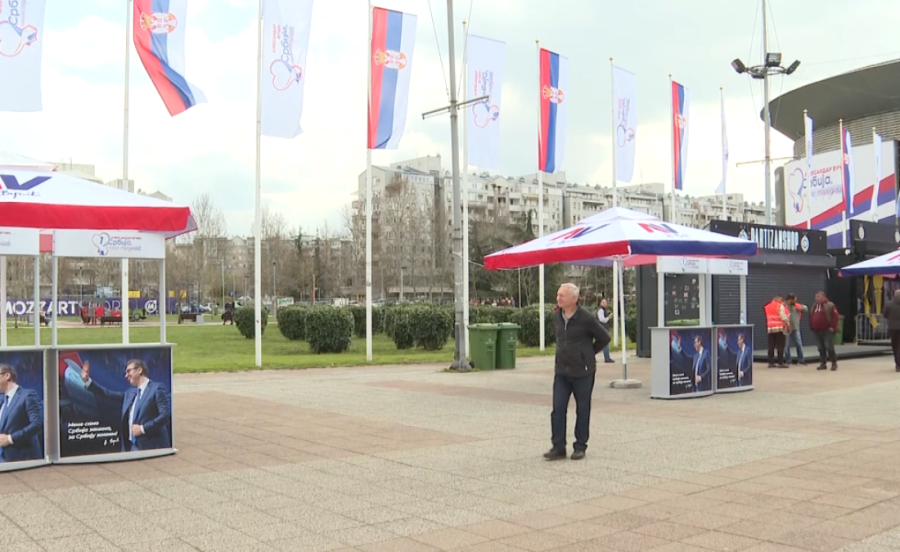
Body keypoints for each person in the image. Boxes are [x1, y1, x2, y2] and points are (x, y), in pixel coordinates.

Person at [544, 283, 610, 461]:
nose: (558, 298)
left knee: (582, 409)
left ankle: (580, 446)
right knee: (558, 410)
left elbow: (604, 337)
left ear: (574, 298)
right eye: (558, 295)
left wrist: (588, 353)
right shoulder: (557, 316)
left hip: (583, 372)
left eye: (562, 296)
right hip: (562, 371)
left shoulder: (586, 318)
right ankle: (558, 447)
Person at [80, 358, 171, 452]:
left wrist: (143, 429)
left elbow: (165, 415)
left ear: (139, 370)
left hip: (152, 446)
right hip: (132, 447)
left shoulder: (157, 388)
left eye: (129, 371)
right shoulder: (130, 393)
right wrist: (87, 381)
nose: (126, 375)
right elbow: (107, 393)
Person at [0, 364, 44, 462]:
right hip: (4, 459)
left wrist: (11, 439)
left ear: (7, 376)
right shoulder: (2, 401)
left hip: (24, 459)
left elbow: (37, 424)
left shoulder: (27, 395)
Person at [810, 291, 839, 371]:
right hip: (817, 331)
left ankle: (833, 363)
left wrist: (832, 327)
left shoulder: (830, 305)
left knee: (829, 347)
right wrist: (812, 326)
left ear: (823, 297)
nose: (816, 298)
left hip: (827, 330)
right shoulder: (814, 306)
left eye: (818, 296)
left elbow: (835, 316)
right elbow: (811, 316)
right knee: (820, 348)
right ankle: (823, 363)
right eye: (816, 296)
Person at [764, 295, 791, 368]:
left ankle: (771, 362)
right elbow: (783, 317)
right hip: (780, 328)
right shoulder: (780, 306)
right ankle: (780, 363)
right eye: (781, 299)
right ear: (777, 299)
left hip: (770, 328)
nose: (782, 301)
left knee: (771, 346)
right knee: (780, 346)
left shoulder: (768, 306)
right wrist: (788, 325)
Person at [784, 293, 808, 366]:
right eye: (794, 300)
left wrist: (802, 308)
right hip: (786, 328)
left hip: (795, 328)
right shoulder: (784, 306)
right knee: (786, 346)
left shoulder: (796, 305)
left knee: (799, 344)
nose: (795, 301)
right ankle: (788, 360)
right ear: (790, 300)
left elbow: (805, 308)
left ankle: (801, 359)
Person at [883, 289, 900, 372]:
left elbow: (884, 314)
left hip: (892, 328)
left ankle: (897, 364)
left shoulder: (889, 304)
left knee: (895, 345)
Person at [596, 298, 614, 363]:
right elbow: (602, 320)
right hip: (602, 329)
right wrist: (608, 317)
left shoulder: (603, 310)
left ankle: (592, 357)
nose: (605, 304)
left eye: (605, 302)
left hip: (601, 328)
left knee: (601, 343)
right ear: (600, 303)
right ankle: (607, 358)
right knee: (605, 343)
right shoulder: (600, 310)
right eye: (603, 302)